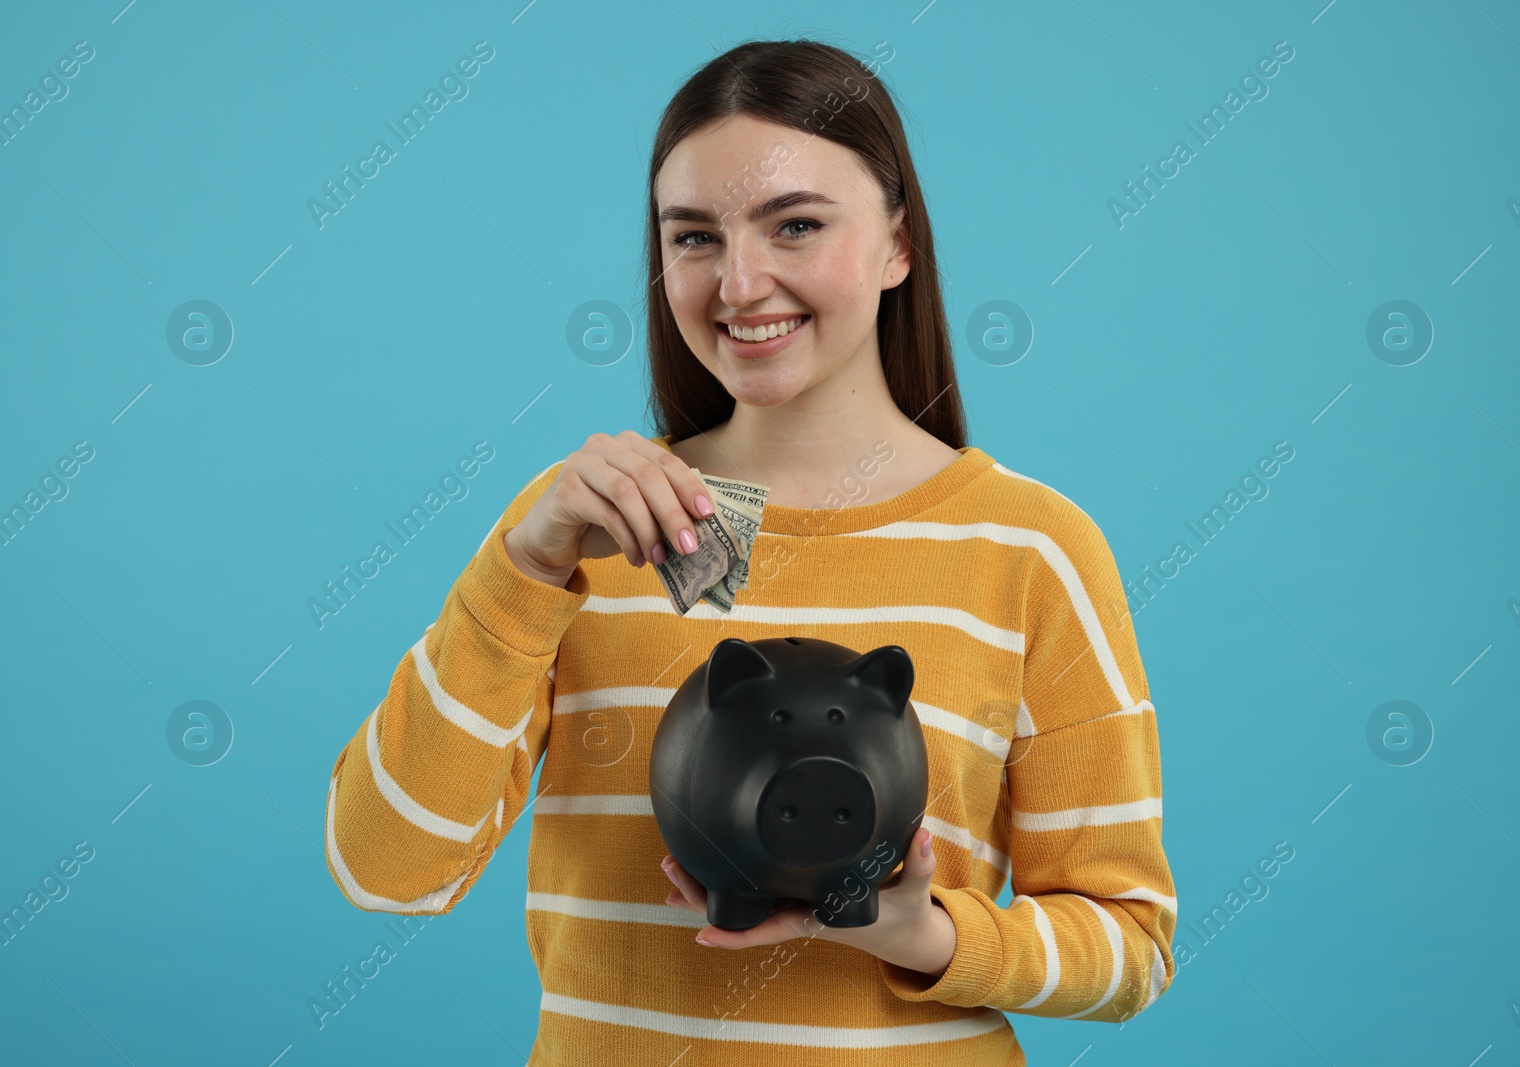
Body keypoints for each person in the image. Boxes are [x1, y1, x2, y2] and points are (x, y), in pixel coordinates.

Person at [323, 37, 1176, 1065]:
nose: (738, 282)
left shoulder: (1032, 549)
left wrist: (921, 930)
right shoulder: (581, 535)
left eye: (796, 225)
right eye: (692, 237)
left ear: (898, 243)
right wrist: (526, 569)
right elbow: (387, 867)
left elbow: (1128, 948)